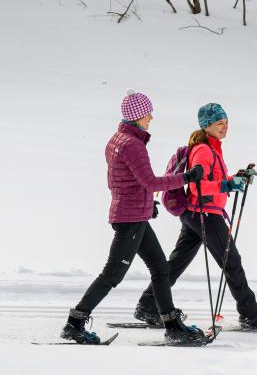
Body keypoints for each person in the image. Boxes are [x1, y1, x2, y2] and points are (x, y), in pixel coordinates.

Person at [61, 90, 211, 345]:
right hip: (131, 219)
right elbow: (150, 182)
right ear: (137, 116)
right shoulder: (133, 145)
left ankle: (172, 324)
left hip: (133, 214)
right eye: (147, 113)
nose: (151, 117)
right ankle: (74, 323)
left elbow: (119, 182)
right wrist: (187, 177)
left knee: (161, 269)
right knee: (112, 275)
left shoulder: (117, 140)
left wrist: (145, 203)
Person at [133, 102, 257, 330]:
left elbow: (212, 181)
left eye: (226, 123)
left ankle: (147, 304)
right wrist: (228, 184)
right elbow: (196, 186)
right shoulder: (203, 149)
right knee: (232, 262)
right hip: (205, 214)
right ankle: (250, 314)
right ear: (207, 126)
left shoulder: (211, 148)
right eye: (219, 123)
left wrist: (236, 178)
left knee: (176, 263)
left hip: (195, 213)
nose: (225, 128)